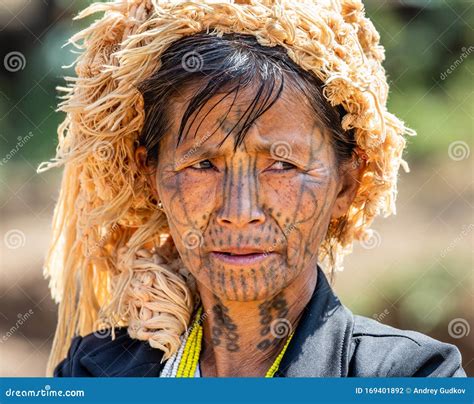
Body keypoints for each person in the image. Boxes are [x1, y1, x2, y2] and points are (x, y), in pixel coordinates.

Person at [38, 0, 466, 377]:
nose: (239, 211)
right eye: (203, 164)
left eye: (282, 165)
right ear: (151, 177)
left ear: (346, 184)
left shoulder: (410, 378)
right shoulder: (95, 372)